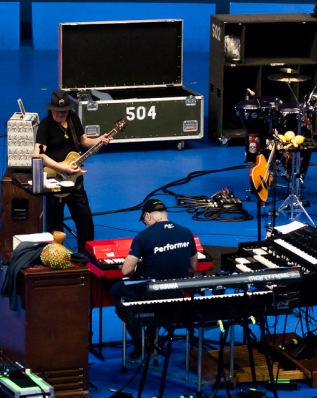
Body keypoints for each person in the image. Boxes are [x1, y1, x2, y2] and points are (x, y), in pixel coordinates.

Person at [110, 199, 198, 359]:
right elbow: (193, 267)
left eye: (144, 221)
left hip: (153, 293)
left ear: (148, 216)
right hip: (177, 292)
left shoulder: (143, 236)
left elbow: (126, 271)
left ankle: (141, 342)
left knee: (117, 289)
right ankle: (152, 339)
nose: (145, 224)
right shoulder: (187, 232)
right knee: (154, 298)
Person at [34, 89, 112, 252]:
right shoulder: (45, 126)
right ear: (51, 109)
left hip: (75, 179)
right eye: (56, 111)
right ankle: (56, 256)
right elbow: (39, 155)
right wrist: (61, 167)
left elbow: (83, 141)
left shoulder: (73, 119)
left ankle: (85, 254)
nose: (59, 114)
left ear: (68, 110)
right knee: (54, 224)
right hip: (55, 180)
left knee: (85, 219)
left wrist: (98, 140)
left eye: (63, 112)